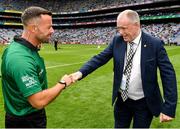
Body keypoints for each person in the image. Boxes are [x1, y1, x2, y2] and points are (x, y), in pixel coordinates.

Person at [70, 9, 177, 128]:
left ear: (137, 25)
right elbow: (100, 58)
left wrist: (169, 107)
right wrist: (80, 73)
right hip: (122, 101)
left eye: (124, 28)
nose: (120, 32)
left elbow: (168, 74)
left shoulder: (155, 44)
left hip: (144, 103)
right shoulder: (117, 40)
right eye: (118, 28)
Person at [1, 6, 72, 128]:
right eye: (49, 27)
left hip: (22, 117)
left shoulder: (18, 47)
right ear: (34, 28)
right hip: (26, 121)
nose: (52, 30)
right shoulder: (20, 59)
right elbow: (38, 101)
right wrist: (63, 83)